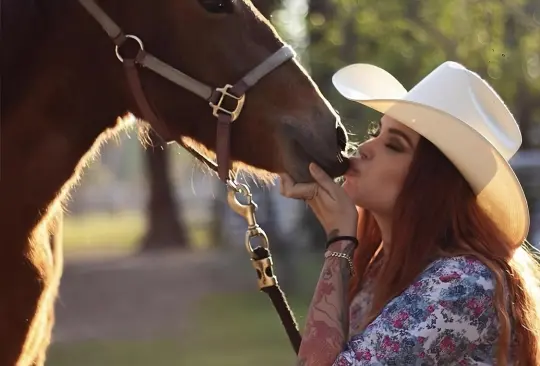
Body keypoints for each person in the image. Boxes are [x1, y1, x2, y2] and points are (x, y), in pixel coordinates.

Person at [279, 61, 540, 365]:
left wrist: (339, 241)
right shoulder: (379, 270)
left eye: (393, 145)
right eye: (377, 132)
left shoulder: (465, 283)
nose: (364, 147)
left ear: (433, 185)